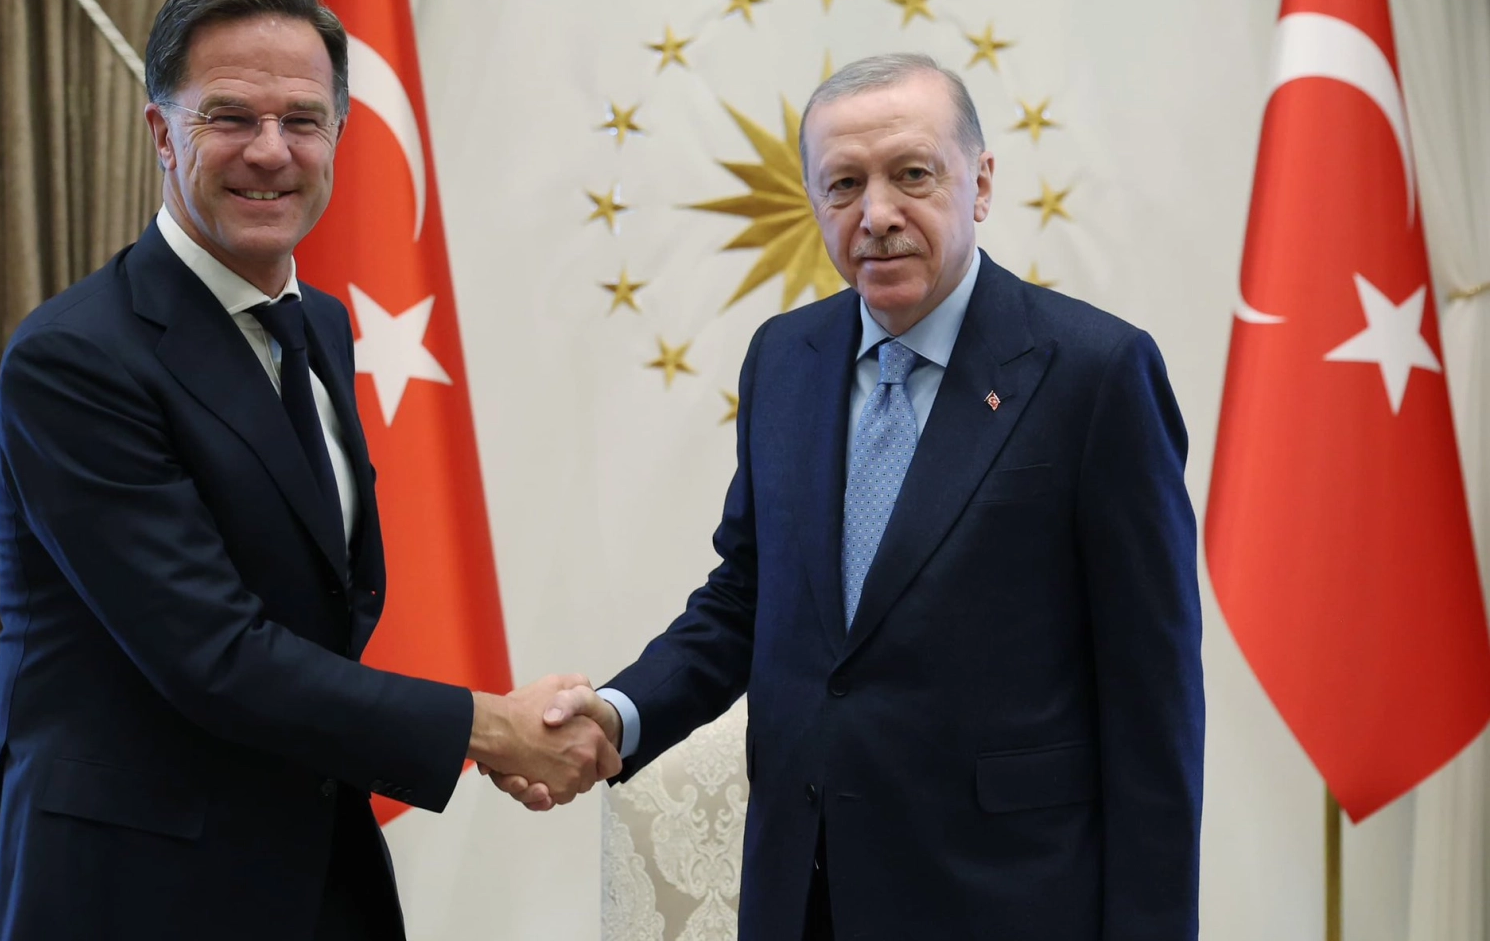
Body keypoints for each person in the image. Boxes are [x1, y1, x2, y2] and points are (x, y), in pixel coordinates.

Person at [0, 0, 617, 941]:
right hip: (130, 889)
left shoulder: (319, 324)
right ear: (161, 134)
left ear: (338, 137)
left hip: (310, 868)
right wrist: (489, 728)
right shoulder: (74, 360)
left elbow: (319, 606)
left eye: (303, 121)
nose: (270, 151)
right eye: (230, 117)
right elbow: (214, 654)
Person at [497, 53, 1204, 940]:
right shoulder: (784, 358)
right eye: (844, 184)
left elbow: (1152, 701)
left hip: (1007, 901)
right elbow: (746, 599)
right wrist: (616, 713)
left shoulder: (1095, 374)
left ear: (981, 183)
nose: (877, 214)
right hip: (805, 898)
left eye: (912, 175)